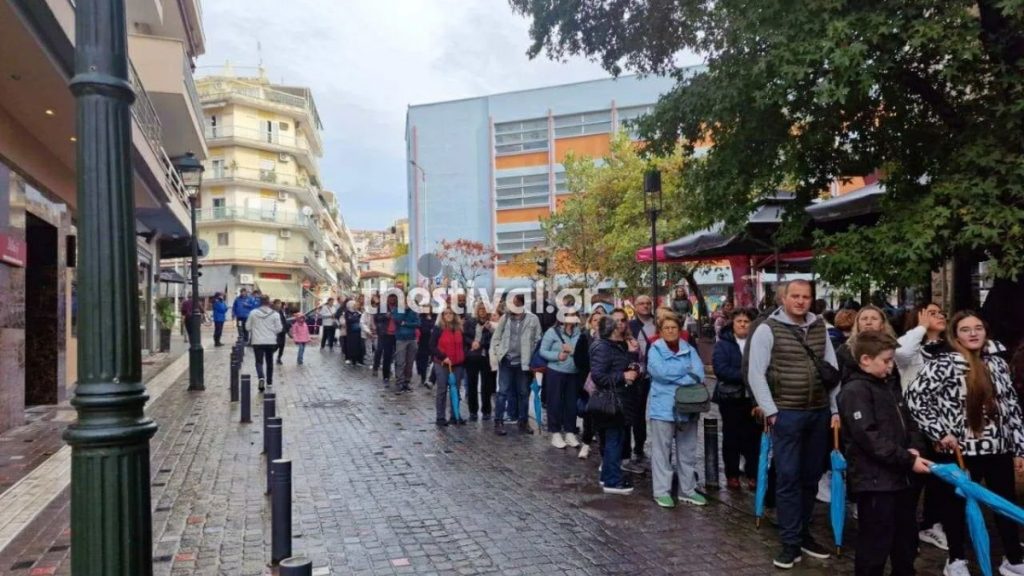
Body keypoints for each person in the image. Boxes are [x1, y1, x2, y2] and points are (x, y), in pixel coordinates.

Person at [906, 311, 1024, 576]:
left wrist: (1019, 447)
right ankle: (956, 559)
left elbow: (1011, 407)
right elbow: (915, 398)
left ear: (985, 331)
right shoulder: (943, 364)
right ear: (955, 335)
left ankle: (1013, 557)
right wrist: (939, 432)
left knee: (1003, 503)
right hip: (959, 451)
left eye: (978, 328)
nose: (973, 333)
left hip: (998, 448)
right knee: (955, 507)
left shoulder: (997, 363)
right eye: (966, 329)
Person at [747, 279, 839, 570]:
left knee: (811, 477)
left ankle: (803, 534)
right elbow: (755, 373)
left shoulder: (819, 327)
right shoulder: (768, 329)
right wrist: (772, 412)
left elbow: (831, 370)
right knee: (788, 477)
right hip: (787, 413)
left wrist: (834, 409)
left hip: (818, 412)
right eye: (795, 296)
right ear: (783, 299)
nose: (800, 301)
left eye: (806, 296)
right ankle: (789, 542)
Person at [839, 330, 932, 576]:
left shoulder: (888, 384)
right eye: (886, 360)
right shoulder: (854, 391)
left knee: (905, 540)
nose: (891, 366)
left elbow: (909, 421)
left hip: (901, 477)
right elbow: (869, 437)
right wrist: (907, 459)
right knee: (875, 544)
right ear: (865, 360)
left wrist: (915, 447)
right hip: (875, 482)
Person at [646, 313, 706, 507]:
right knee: (661, 452)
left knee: (688, 451)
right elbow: (659, 372)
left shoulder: (689, 349)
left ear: (680, 330)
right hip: (662, 408)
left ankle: (687, 490)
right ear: (660, 331)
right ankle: (661, 491)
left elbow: (699, 374)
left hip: (688, 406)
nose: (671, 331)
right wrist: (685, 373)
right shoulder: (655, 349)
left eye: (674, 328)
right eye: (667, 328)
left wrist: (676, 376)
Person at [589, 312, 638, 494]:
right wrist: (623, 376)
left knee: (614, 439)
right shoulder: (603, 347)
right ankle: (612, 481)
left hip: (620, 398)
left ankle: (607, 476)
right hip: (611, 401)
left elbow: (622, 365)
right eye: (617, 323)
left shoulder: (617, 346)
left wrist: (632, 356)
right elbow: (598, 376)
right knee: (613, 440)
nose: (621, 326)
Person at [713, 308, 761, 490]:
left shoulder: (757, 342)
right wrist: (747, 375)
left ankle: (753, 474)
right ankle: (732, 474)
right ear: (732, 323)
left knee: (753, 438)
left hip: (753, 399)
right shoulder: (723, 344)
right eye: (739, 321)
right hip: (731, 398)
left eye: (746, 321)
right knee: (731, 437)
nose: (742, 324)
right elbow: (721, 369)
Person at [489, 293, 542, 436]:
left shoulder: (533, 319)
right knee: (502, 392)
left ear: (522, 304)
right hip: (507, 361)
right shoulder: (505, 318)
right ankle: (498, 422)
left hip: (524, 363)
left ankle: (523, 421)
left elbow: (538, 339)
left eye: (516, 303)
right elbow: (496, 337)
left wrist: (533, 357)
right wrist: (498, 352)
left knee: (524, 393)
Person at [540, 310, 582, 449]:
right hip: (556, 371)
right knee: (555, 402)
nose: (571, 317)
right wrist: (557, 355)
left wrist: (573, 351)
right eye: (568, 314)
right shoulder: (552, 332)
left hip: (573, 372)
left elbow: (582, 351)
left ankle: (570, 432)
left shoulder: (579, 333)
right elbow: (543, 351)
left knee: (571, 403)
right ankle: (555, 433)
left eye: (574, 315)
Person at [573, 306, 605, 459]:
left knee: (603, 413)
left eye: (600, 320)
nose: (597, 323)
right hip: (588, 381)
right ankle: (586, 443)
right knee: (588, 413)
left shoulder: (608, 337)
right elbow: (578, 359)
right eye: (595, 320)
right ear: (590, 322)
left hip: (604, 382)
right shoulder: (585, 337)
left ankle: (601, 444)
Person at [837, 305, 898, 381]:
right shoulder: (845, 350)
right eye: (864, 319)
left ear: (882, 324)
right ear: (857, 324)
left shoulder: (892, 348)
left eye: (874, 319)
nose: (868, 322)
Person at [430, 306, 467, 426]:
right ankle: (440, 417)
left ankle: (455, 415)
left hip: (458, 364)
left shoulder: (459, 328)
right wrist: (443, 357)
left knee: (455, 390)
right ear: (442, 315)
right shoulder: (438, 329)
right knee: (442, 390)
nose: (449, 315)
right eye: (446, 313)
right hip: (442, 363)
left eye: (451, 313)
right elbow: (432, 346)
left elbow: (464, 345)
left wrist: (463, 356)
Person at [464, 302, 496, 421]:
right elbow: (464, 336)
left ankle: (486, 411)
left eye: (484, 309)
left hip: (485, 357)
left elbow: (493, 339)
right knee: (472, 385)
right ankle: (473, 411)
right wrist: (472, 342)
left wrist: (480, 343)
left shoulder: (491, 323)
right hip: (472, 357)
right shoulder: (470, 322)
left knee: (486, 386)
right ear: (477, 310)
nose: (482, 311)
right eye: (480, 309)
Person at [245, 295, 283, 392]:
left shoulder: (253, 313)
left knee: (259, 362)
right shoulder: (275, 314)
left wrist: (255, 328)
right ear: (269, 302)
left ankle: (261, 377)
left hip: (257, 341)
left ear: (260, 302)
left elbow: (247, 327)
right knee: (269, 362)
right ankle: (269, 382)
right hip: (270, 341)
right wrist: (271, 331)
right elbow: (279, 329)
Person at [392, 297, 420, 393]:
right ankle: (399, 382)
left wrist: (406, 323)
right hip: (401, 339)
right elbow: (398, 320)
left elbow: (418, 323)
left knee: (410, 362)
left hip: (412, 339)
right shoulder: (397, 310)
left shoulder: (413, 311)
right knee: (400, 362)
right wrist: (404, 311)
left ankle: (407, 382)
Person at [373, 294, 399, 383]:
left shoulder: (399, 307)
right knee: (386, 355)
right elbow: (376, 318)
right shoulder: (382, 307)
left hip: (397, 334)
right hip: (385, 334)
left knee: (398, 356)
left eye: (394, 297)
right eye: (390, 297)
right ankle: (385, 376)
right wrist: (385, 316)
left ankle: (398, 375)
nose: (392, 299)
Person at [416, 310, 436, 388]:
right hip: (423, 341)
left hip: (434, 341)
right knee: (423, 360)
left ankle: (432, 380)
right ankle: (423, 378)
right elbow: (422, 328)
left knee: (435, 360)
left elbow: (436, 328)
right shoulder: (421, 317)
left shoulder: (436, 317)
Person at [343, 300, 365, 366]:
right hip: (351, 333)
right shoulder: (347, 312)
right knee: (352, 346)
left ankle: (359, 360)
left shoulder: (358, 312)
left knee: (358, 346)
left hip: (358, 332)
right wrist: (356, 317)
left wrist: (356, 317)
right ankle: (352, 359)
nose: (356, 306)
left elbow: (361, 320)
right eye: (354, 305)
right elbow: (350, 320)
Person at [273, 299, 288, 365]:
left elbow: (284, 321)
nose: (279, 305)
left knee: (282, 346)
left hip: (283, 331)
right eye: (277, 303)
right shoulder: (272, 312)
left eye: (280, 304)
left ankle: (279, 358)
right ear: (274, 304)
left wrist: (287, 331)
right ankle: (270, 355)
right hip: (276, 332)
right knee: (276, 345)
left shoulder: (281, 311)